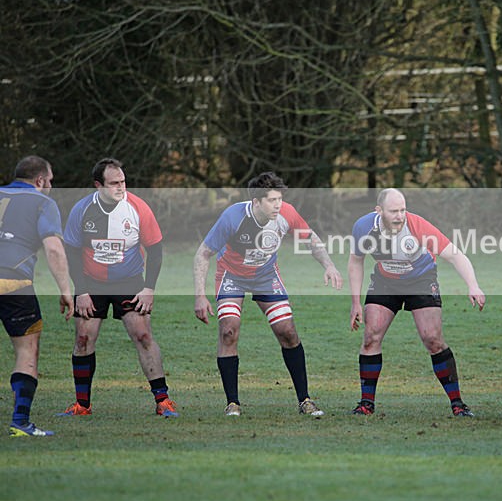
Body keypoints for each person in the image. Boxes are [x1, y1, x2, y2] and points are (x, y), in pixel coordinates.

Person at [194, 171, 342, 417]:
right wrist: (200, 295)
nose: (278, 205)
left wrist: (329, 265)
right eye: (272, 200)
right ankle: (232, 403)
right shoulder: (233, 217)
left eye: (280, 199)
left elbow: (311, 239)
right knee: (229, 330)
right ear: (256, 201)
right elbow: (203, 253)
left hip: (265, 276)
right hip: (232, 275)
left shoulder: (286, 213)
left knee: (287, 331)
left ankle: (305, 400)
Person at [348, 188, 485, 417]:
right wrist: (355, 303)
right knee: (371, 337)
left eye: (403, 210)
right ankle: (366, 404)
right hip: (386, 281)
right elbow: (355, 261)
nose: (400, 216)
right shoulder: (364, 227)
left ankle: (458, 404)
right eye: (394, 211)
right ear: (379, 211)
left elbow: (455, 255)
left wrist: (473, 285)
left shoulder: (417, 226)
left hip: (421, 279)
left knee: (433, 339)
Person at [60, 158, 178, 418]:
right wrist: (81, 291)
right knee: (83, 339)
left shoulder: (138, 207)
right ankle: (82, 405)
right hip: (91, 283)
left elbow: (156, 250)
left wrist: (149, 289)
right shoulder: (82, 210)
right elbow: (71, 253)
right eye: (114, 183)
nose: (121, 187)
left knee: (143, 335)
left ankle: (163, 401)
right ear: (98, 185)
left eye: (123, 182)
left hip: (130, 281)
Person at [2, 156, 73, 436]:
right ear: (40, 180)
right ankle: (20, 422)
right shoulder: (42, 202)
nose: (51, 186)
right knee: (26, 350)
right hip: (13, 280)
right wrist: (65, 290)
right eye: (51, 181)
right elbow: (54, 249)